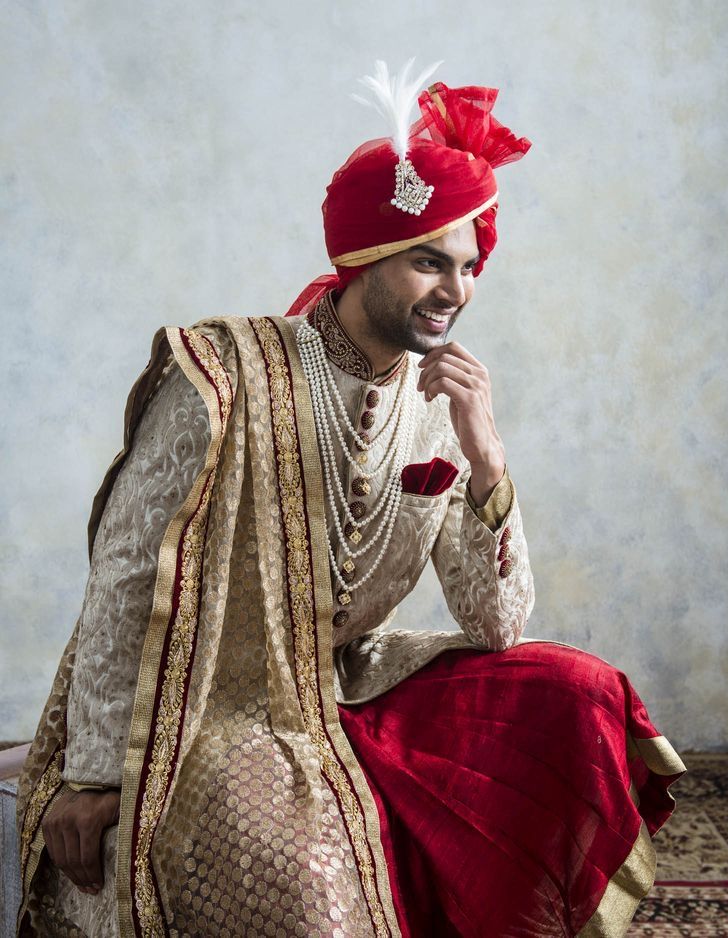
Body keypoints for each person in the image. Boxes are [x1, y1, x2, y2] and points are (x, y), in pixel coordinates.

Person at [17, 63, 684, 937]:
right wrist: (95, 773)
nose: (457, 291)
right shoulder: (224, 375)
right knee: (309, 896)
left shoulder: (439, 409)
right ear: (363, 254)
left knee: (579, 691)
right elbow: (125, 575)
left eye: (471, 265)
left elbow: (496, 627)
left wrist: (487, 460)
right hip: (213, 711)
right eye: (429, 261)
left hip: (348, 686)